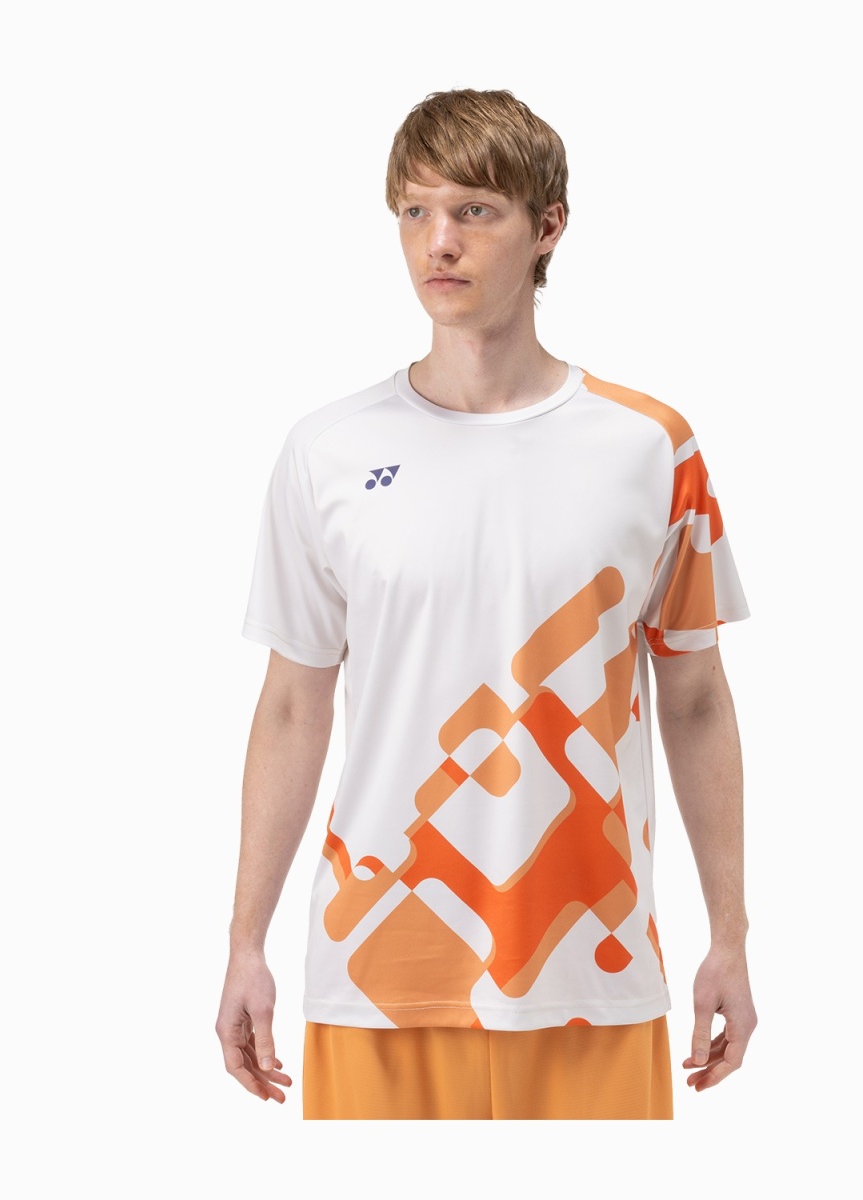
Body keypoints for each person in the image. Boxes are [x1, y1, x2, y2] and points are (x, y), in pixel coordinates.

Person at [216, 87, 756, 1120]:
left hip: (590, 979)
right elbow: (291, 703)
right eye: (415, 212)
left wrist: (728, 935)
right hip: (377, 974)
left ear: (548, 227)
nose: (439, 242)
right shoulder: (329, 451)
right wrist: (246, 942)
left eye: (474, 210)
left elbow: (695, 700)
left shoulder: (650, 447)